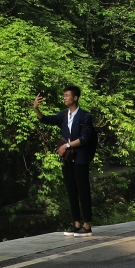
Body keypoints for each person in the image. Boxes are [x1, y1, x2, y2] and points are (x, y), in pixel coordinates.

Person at [34, 85, 97, 236]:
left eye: (67, 95)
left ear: (75, 98)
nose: (64, 98)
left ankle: (87, 226)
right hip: (68, 158)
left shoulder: (85, 116)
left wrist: (66, 146)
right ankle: (76, 224)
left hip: (80, 158)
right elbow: (46, 120)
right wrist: (36, 109)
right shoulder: (63, 115)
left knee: (83, 191)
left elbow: (84, 138)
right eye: (64, 95)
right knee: (71, 190)